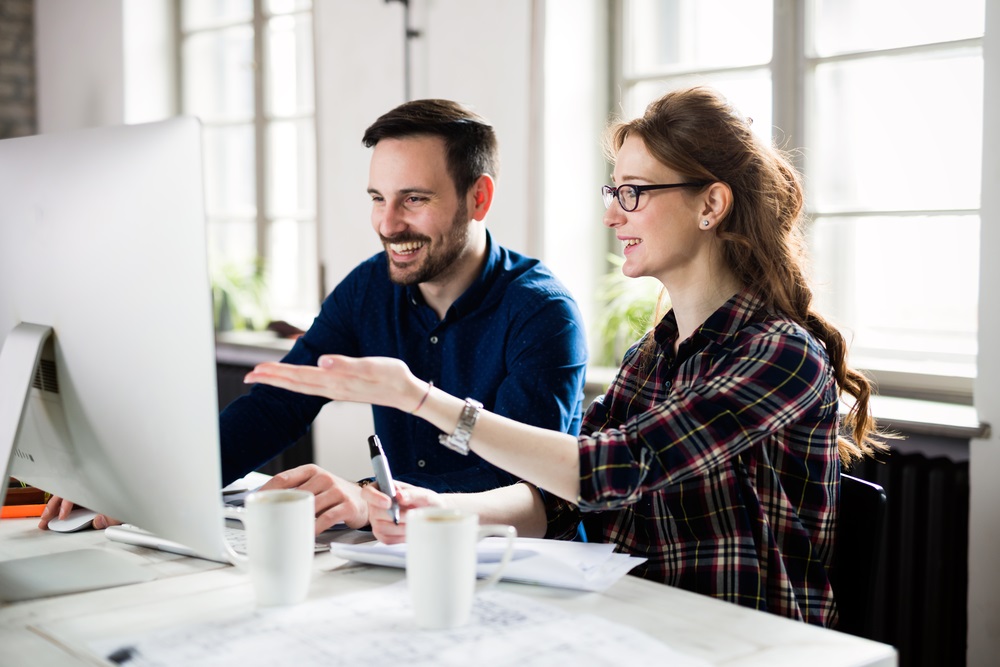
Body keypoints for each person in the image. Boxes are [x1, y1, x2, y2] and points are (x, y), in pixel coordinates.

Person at [243, 86, 887, 628]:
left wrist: (420, 399)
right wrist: (416, 508)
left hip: (734, 641)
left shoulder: (778, 355)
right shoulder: (652, 357)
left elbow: (616, 468)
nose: (612, 213)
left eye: (633, 191)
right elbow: (561, 501)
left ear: (710, 205)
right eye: (614, 190)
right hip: (631, 623)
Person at [39, 99, 588, 534]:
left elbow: (522, 483)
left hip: (522, 569)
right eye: (377, 197)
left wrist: (368, 498)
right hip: (396, 555)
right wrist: (148, 483)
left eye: (413, 199)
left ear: (478, 198)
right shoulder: (369, 288)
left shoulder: (543, 313)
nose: (388, 224)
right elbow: (278, 405)